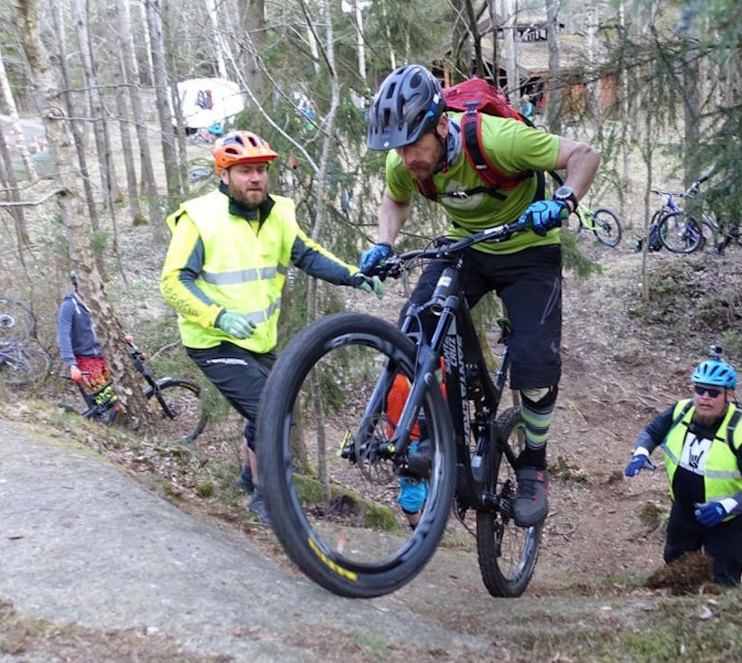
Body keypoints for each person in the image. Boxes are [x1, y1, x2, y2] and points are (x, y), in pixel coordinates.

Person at [361, 64, 600, 527]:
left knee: (534, 364)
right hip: (466, 247)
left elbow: (584, 155)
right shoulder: (404, 162)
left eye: (413, 144)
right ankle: (424, 441)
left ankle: (533, 464)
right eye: (398, 148)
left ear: (440, 125)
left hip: (529, 249)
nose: (406, 158)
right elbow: (396, 199)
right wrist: (383, 243)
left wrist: (563, 201)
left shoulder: (496, 140)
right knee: (413, 335)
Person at [160, 130, 383, 524]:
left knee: (265, 409)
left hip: (260, 341)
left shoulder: (279, 213)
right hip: (212, 339)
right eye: (245, 170)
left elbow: (308, 255)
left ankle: (249, 476)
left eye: (261, 170)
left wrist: (353, 275)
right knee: (271, 411)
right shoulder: (199, 218)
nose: (256, 178)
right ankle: (267, 499)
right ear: (223, 175)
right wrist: (217, 316)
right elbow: (173, 282)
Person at [623, 358, 742, 587]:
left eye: (713, 392)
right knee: (675, 573)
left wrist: (725, 507)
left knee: (722, 582)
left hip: (728, 520)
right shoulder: (682, 410)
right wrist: (641, 453)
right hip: (684, 511)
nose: (704, 397)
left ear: (729, 395)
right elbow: (652, 432)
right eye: (699, 390)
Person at [56, 271, 114, 408]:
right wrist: (71, 364)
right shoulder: (69, 306)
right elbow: (63, 336)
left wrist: (123, 337)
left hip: (103, 356)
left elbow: (108, 324)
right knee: (106, 402)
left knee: (121, 394)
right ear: (77, 284)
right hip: (85, 361)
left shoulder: (96, 302)